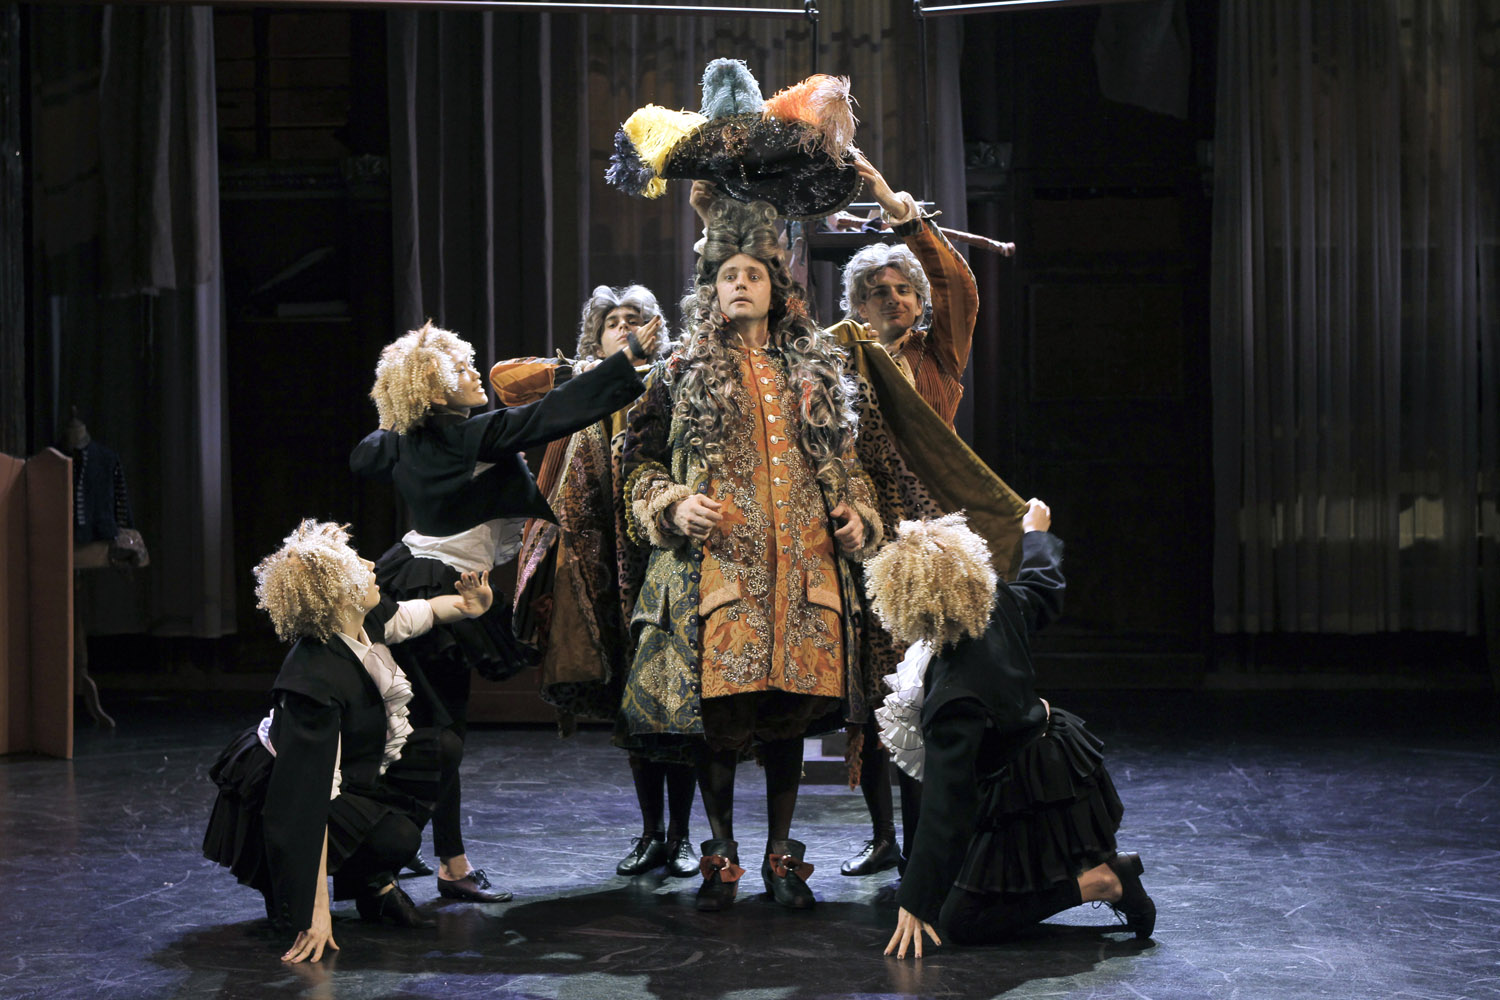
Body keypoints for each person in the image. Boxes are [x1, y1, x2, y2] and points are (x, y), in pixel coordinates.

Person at [617, 197, 882, 912]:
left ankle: (782, 851)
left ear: (776, 287)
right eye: (728, 274)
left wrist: (856, 515)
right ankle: (722, 850)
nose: (740, 284)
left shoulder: (814, 368)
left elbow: (847, 464)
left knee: (788, 715)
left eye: (753, 275)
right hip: (720, 570)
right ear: (712, 286)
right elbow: (636, 463)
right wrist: (672, 504)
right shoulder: (679, 369)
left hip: (803, 569)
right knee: (721, 717)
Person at [349, 321, 651, 901]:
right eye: (461, 371)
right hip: (439, 582)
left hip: (411, 571)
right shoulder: (469, 436)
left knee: (419, 725)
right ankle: (445, 864)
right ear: (433, 391)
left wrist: (401, 421)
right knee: (440, 731)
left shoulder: (406, 439)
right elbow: (549, 415)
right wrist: (627, 360)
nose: (475, 375)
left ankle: (407, 845)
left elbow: (364, 455)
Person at [863, 505, 1155, 958]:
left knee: (961, 921)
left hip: (1027, 788)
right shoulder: (994, 601)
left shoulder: (954, 696)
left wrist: (915, 902)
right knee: (959, 886)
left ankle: (1101, 881)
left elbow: (946, 805)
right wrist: (1035, 534)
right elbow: (1042, 586)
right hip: (1050, 757)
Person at [203, 520, 493, 962]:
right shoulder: (313, 682)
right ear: (338, 594)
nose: (372, 564)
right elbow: (306, 805)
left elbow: (423, 613)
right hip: (282, 796)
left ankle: (369, 883)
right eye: (358, 564)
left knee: (440, 748)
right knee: (397, 838)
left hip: (340, 771)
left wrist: (469, 606)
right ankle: (317, 890)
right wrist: (315, 913)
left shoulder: (362, 620)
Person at [491, 287, 698, 880]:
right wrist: (603, 365)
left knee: (674, 699)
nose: (625, 328)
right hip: (597, 560)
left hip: (664, 550)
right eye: (613, 322)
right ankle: (651, 832)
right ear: (597, 335)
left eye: (636, 319)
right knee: (629, 702)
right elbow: (504, 381)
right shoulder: (581, 381)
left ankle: (682, 837)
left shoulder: (674, 378)